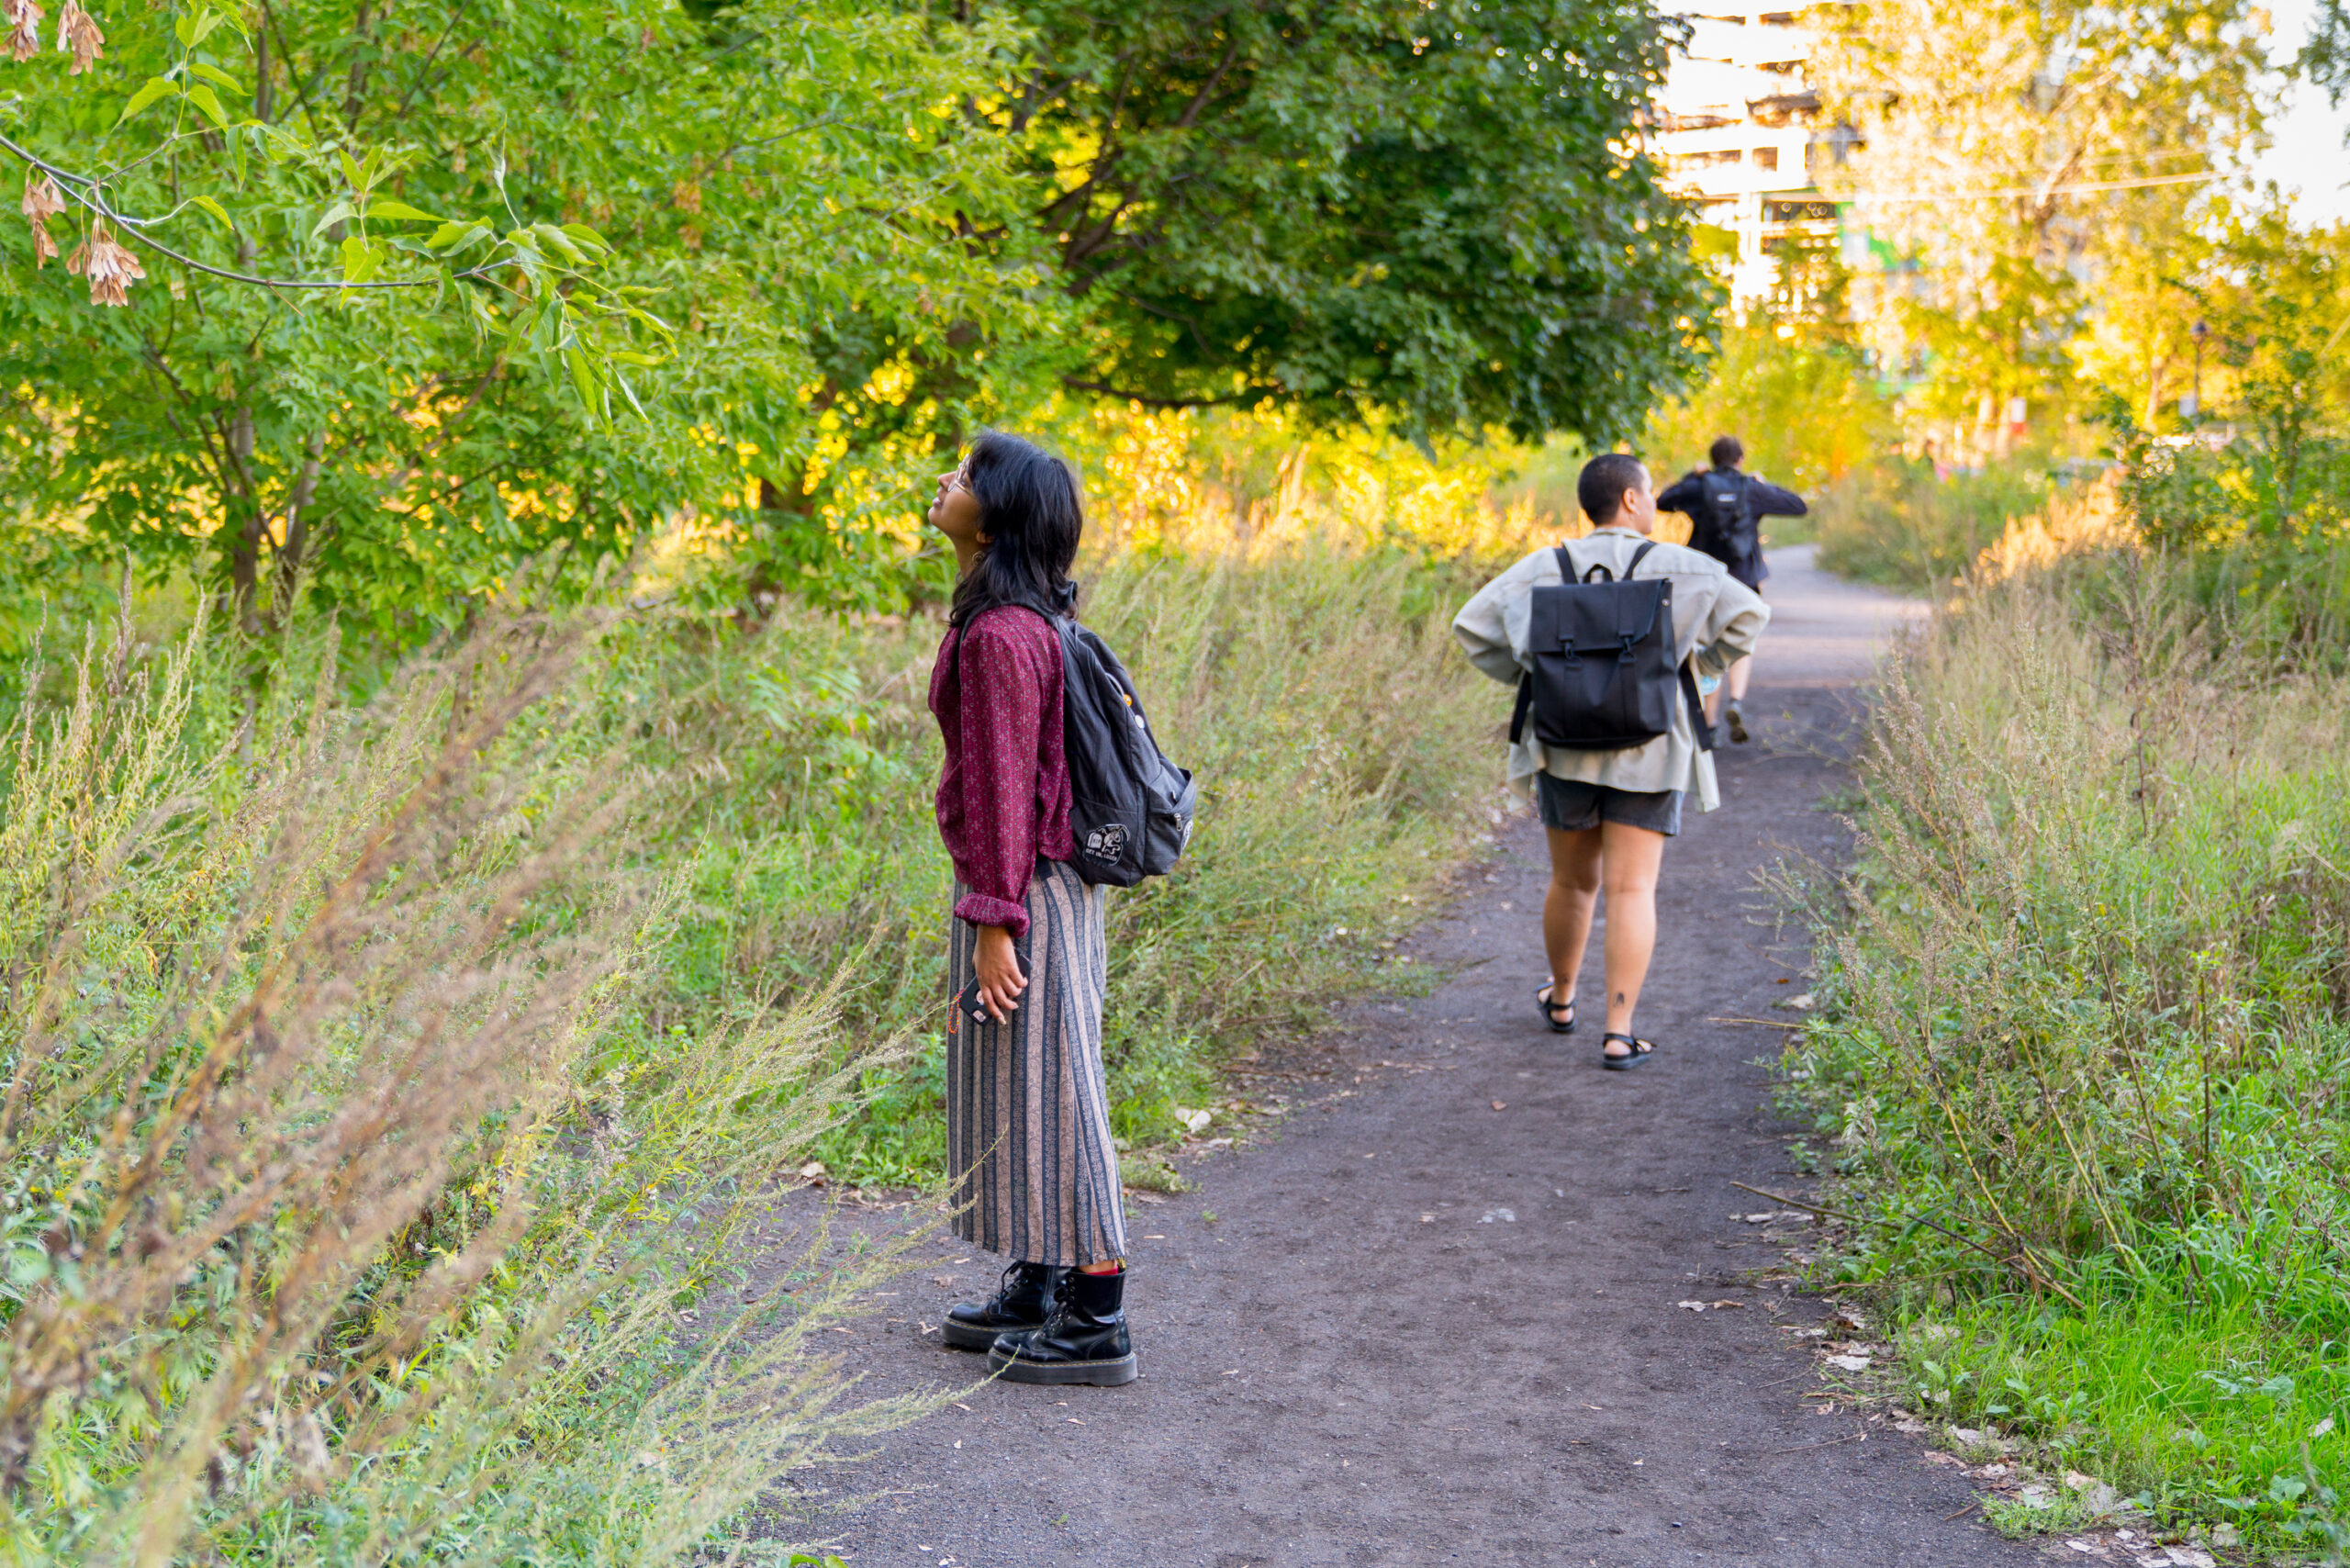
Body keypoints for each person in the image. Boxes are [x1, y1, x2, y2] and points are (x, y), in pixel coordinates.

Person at [925, 431, 1136, 1388]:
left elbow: (1006, 788)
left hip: (1030, 890)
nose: (946, 482)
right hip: (1031, 885)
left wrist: (995, 919)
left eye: (965, 476)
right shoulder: (1007, 617)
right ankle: (1039, 1276)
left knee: (1058, 1092)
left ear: (996, 512)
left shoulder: (1005, 633)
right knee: (1016, 1084)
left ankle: (1096, 1315)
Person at [1453, 454, 1768, 1069]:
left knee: (1572, 881)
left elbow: (1474, 628)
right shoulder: (1684, 567)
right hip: (1651, 747)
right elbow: (1750, 615)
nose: (1654, 501)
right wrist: (1697, 671)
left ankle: (1563, 1001)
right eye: (1649, 491)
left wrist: (1537, 676)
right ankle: (1620, 1034)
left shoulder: (1544, 567)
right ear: (1630, 500)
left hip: (1564, 746)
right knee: (1632, 887)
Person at [1655, 435, 1806, 744]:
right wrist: (1764, 486)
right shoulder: (1751, 489)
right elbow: (1797, 506)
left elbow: (1661, 502)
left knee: (1703, 643)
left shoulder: (1699, 487)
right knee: (1740, 637)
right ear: (1740, 459)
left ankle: (1707, 723)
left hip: (1704, 576)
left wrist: (1691, 477)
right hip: (1743, 577)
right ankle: (1736, 699)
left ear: (1712, 460)